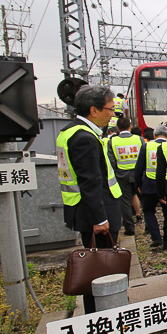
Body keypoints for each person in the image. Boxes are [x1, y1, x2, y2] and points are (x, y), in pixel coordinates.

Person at [56, 85, 122, 314]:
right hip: (94, 214)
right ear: (94, 110)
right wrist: (100, 219)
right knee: (100, 269)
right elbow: (90, 181)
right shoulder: (84, 137)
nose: (113, 114)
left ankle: (102, 310)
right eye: (110, 108)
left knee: (98, 266)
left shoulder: (72, 131)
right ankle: (103, 314)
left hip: (83, 209)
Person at [135, 125, 167, 249]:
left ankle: (156, 238)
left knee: (148, 211)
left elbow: (139, 167)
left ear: (154, 136)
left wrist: (138, 183)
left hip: (149, 184)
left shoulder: (146, 146)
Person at [108, 117, 144, 236]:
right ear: (130, 126)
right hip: (139, 174)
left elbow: (112, 161)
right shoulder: (139, 139)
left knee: (125, 201)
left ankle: (129, 227)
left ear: (118, 128)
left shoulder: (112, 141)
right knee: (144, 199)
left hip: (122, 175)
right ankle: (148, 227)